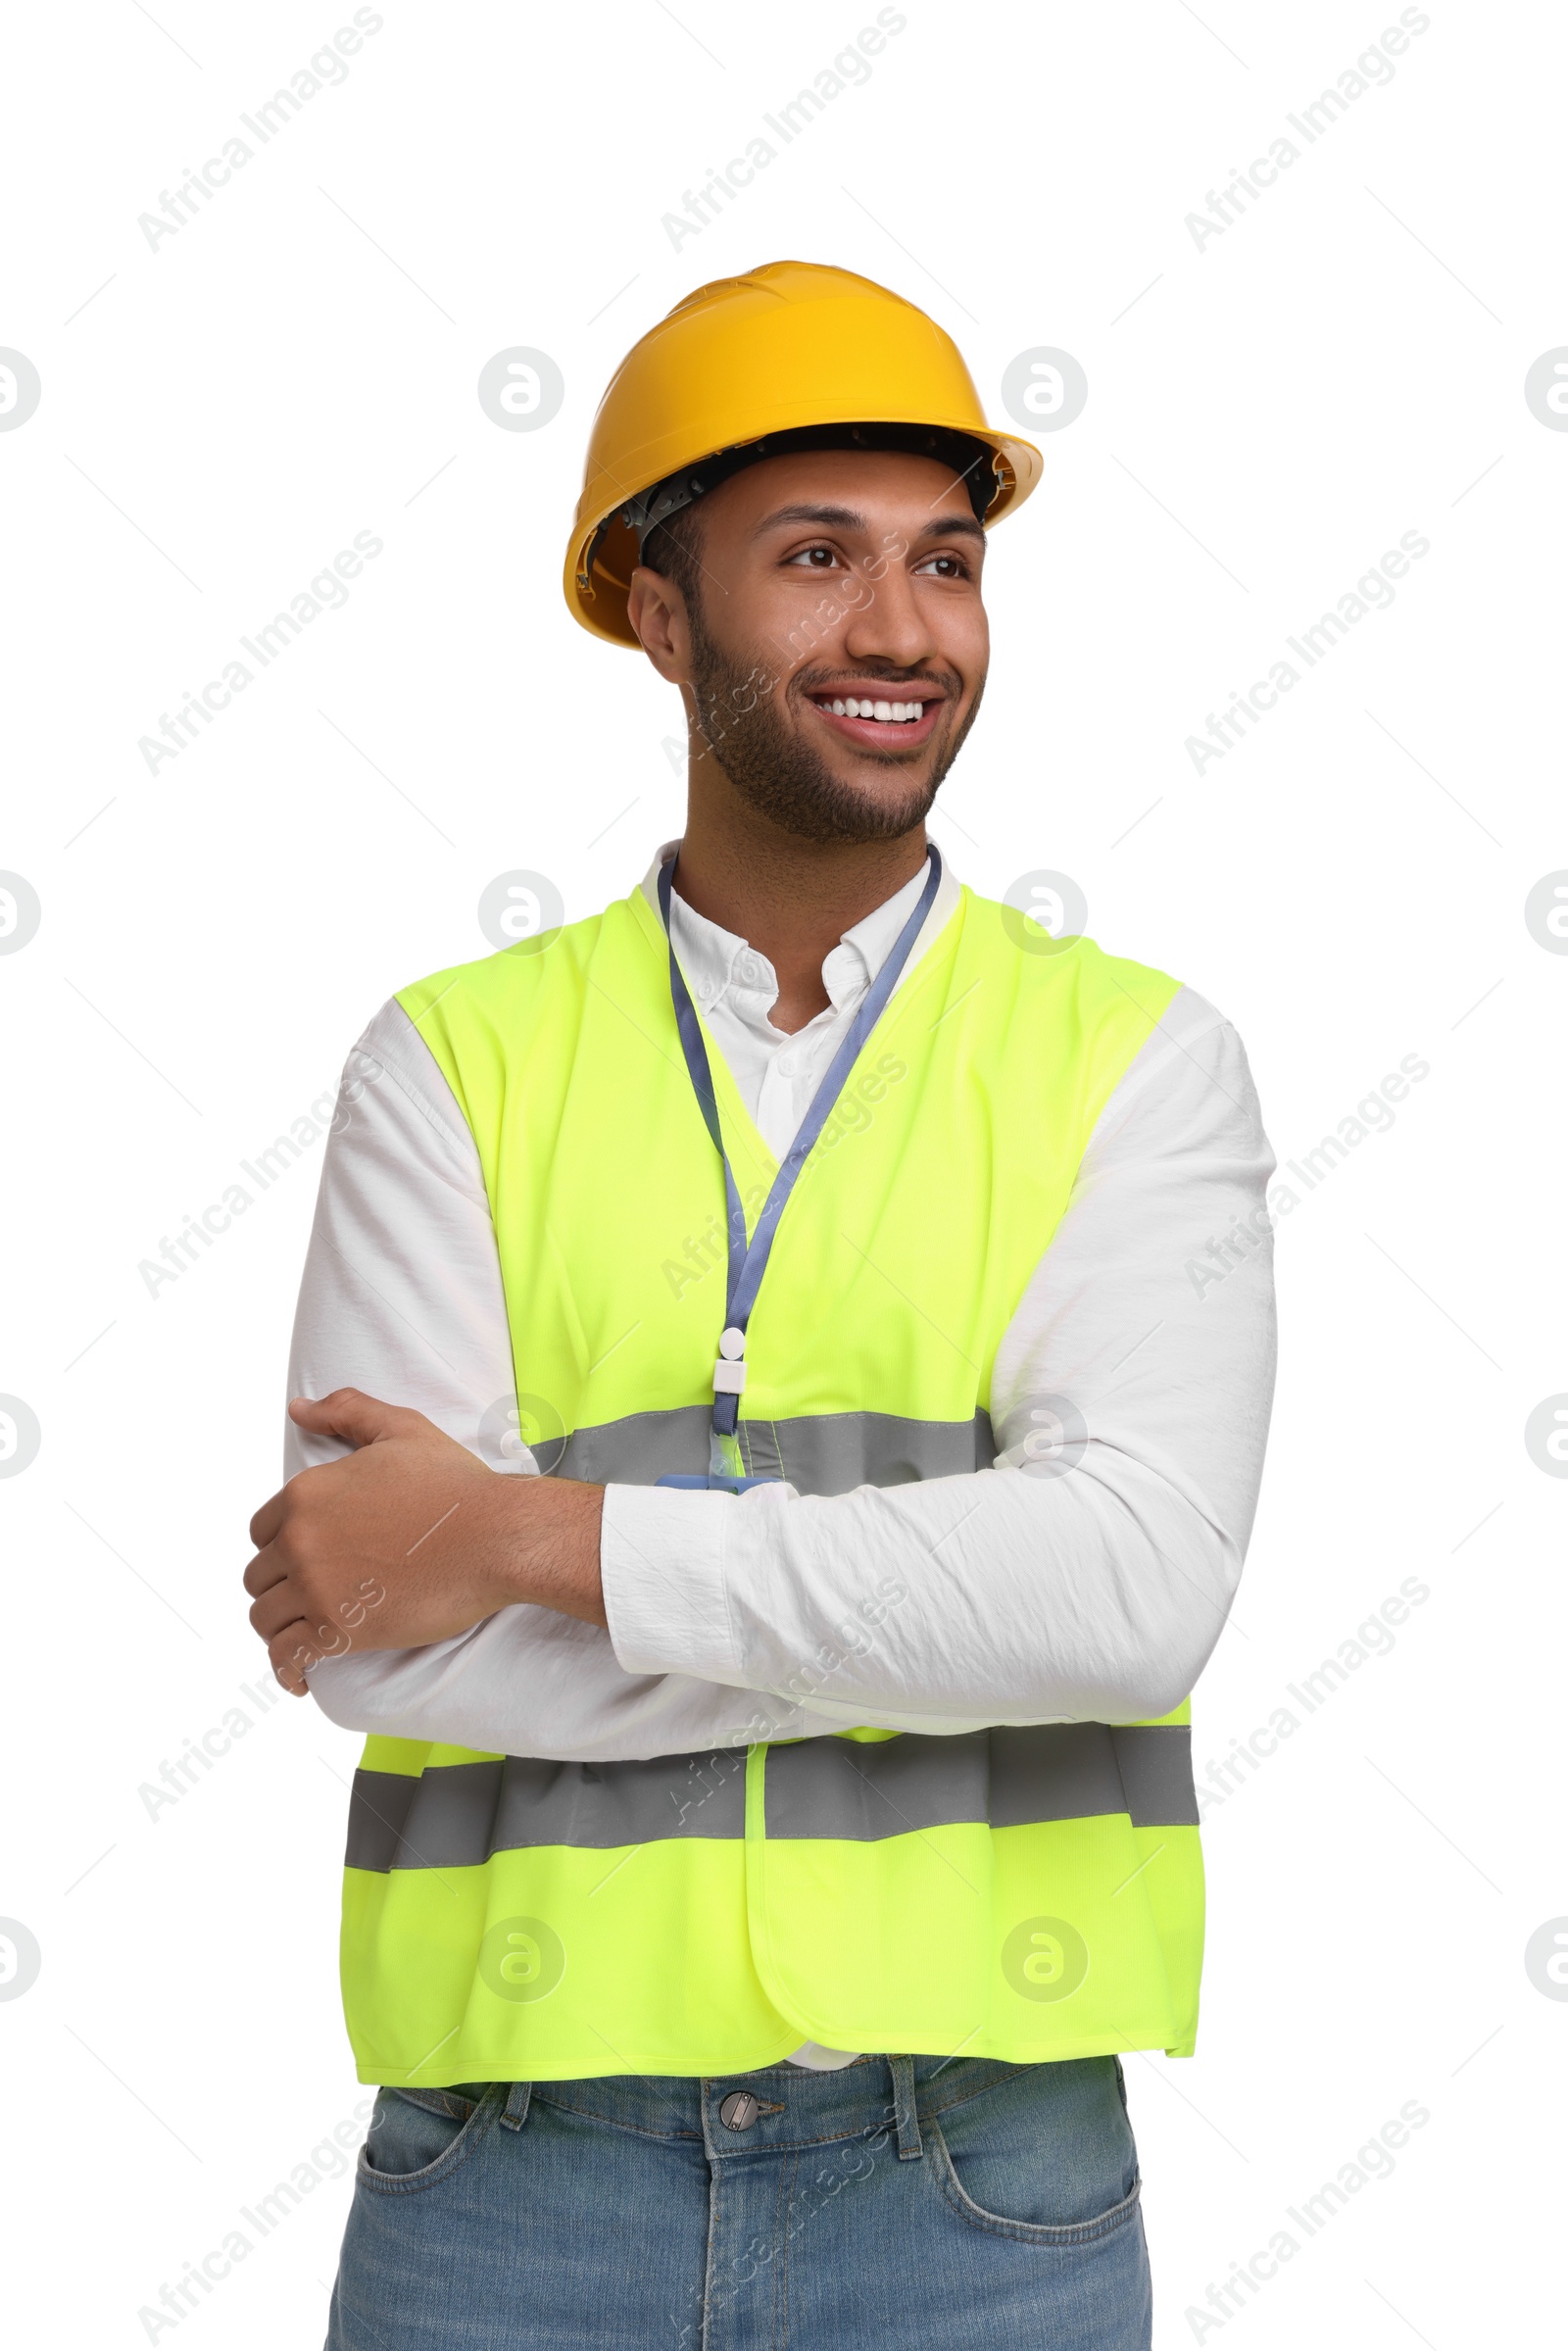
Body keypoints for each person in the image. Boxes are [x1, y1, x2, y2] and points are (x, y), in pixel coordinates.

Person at [242, 260, 1277, 2350]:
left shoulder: (1136, 1063)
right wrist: (952, 1629)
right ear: (654, 607)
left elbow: (1131, 1594)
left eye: (943, 562)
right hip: (510, 2174)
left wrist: (519, 1542)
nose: (902, 630)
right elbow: (367, 1645)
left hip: (975, 2182)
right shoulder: (451, 1063)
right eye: (816, 559)